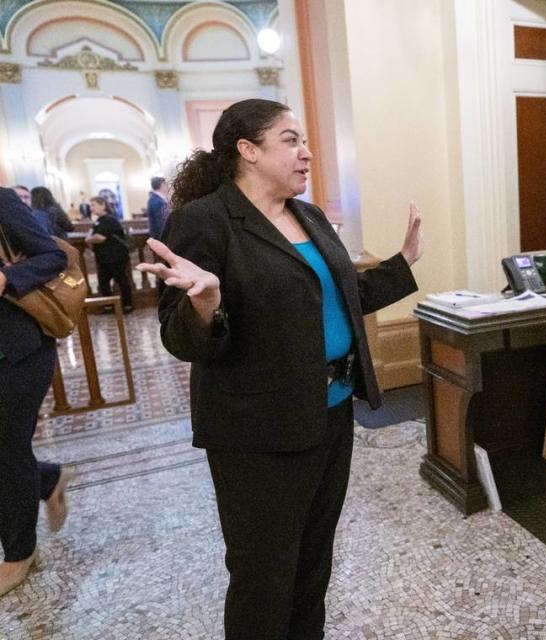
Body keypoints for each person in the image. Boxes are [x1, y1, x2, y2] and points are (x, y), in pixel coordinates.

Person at [136, 98, 422, 640]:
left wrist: (403, 263)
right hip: (256, 431)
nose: (307, 153)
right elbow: (178, 335)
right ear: (248, 150)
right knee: (264, 575)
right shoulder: (204, 221)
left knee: (314, 564)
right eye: (290, 140)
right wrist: (206, 305)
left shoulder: (307, 215)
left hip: (330, 413)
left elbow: (344, 294)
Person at [0, 187, 75, 597]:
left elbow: (53, 255)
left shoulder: (1, 201)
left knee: (5, 449)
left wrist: (7, 278)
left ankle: (19, 553)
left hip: (16, 352)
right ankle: (48, 478)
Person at [85, 195, 134, 313]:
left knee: (122, 281)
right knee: (103, 283)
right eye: (91, 205)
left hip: (115, 257)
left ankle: (127, 305)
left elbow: (100, 237)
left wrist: (88, 240)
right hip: (104, 258)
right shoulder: (98, 221)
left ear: (103, 205)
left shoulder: (109, 220)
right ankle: (108, 306)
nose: (91, 208)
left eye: (94, 205)